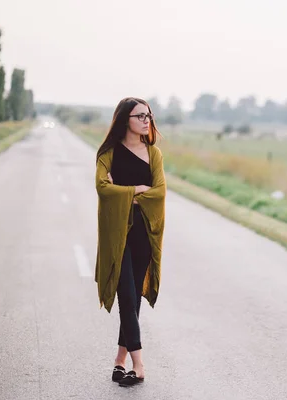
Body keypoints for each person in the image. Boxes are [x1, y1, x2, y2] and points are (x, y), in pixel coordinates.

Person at [94, 97, 166, 386]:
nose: (146, 120)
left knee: (133, 298)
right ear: (126, 120)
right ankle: (139, 364)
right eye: (140, 116)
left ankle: (119, 360)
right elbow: (102, 188)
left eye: (148, 115)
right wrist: (136, 189)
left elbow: (159, 192)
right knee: (125, 293)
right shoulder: (109, 153)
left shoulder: (154, 154)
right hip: (117, 236)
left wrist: (121, 190)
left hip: (143, 236)